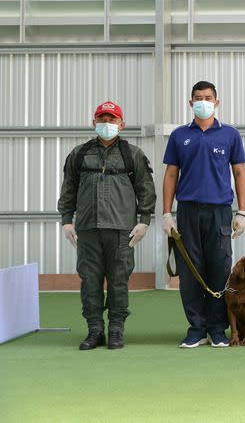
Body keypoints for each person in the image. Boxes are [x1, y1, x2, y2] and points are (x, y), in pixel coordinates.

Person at [58, 100, 156, 350]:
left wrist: (144, 221)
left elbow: (145, 190)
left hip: (121, 229)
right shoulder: (79, 154)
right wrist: (66, 220)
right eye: (102, 119)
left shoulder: (132, 154)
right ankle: (94, 331)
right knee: (89, 279)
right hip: (88, 229)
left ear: (121, 124)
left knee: (118, 280)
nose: (106, 124)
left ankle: (115, 330)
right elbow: (68, 189)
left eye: (111, 120)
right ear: (94, 123)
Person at [162, 81, 245, 349]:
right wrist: (167, 213)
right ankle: (196, 328)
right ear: (191, 103)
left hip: (219, 211)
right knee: (190, 272)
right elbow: (171, 175)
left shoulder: (230, 135)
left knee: (220, 269)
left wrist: (242, 211)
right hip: (188, 211)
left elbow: (239, 173)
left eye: (208, 97)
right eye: (198, 98)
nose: (203, 101)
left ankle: (217, 328)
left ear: (217, 102)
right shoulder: (179, 136)